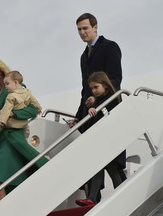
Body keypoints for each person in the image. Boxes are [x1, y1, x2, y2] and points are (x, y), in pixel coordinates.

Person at [0, 57, 48, 204]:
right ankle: (8, 209)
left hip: (9, 141)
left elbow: (33, 109)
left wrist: (14, 114)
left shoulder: (15, 86)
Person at [68, 13, 126, 202]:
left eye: (85, 28)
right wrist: (79, 116)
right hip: (90, 115)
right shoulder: (83, 56)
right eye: (79, 29)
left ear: (95, 27)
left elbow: (115, 80)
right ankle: (94, 198)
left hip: (108, 110)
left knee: (108, 158)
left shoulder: (110, 47)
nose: (82, 32)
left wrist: (99, 102)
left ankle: (99, 197)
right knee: (97, 158)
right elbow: (85, 90)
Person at [75, 71, 127, 206]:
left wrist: (94, 107)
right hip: (102, 141)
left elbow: (108, 113)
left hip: (109, 141)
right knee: (100, 168)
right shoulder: (100, 100)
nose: (93, 90)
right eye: (91, 88)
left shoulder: (112, 98)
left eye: (96, 87)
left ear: (105, 85)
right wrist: (92, 106)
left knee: (113, 170)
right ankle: (92, 198)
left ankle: (120, 194)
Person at [0, 70, 42, 154]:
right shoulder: (27, 92)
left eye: (7, 84)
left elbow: (6, 109)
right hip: (22, 122)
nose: (6, 87)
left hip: (11, 122)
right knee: (26, 130)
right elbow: (34, 101)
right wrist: (39, 108)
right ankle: (25, 141)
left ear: (15, 82)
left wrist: (2, 121)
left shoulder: (11, 96)